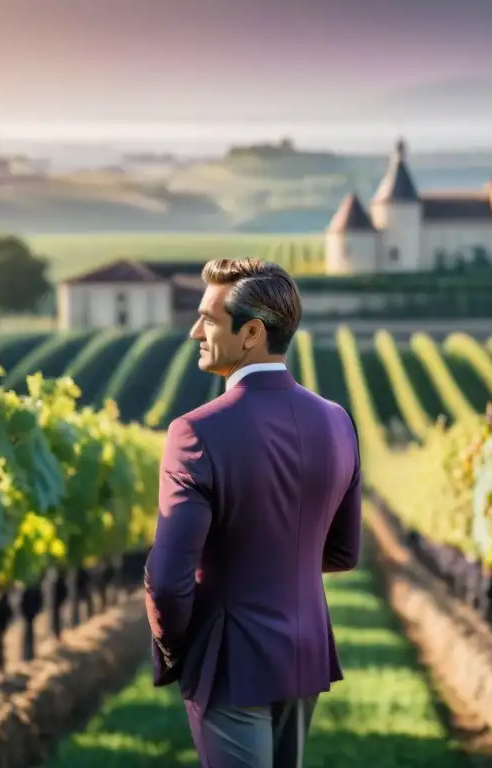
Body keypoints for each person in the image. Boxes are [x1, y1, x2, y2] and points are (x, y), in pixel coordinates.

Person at [144, 258, 362, 768]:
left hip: (228, 658)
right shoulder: (337, 421)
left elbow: (167, 579)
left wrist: (178, 650)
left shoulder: (195, 432)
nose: (195, 330)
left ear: (252, 333)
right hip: (306, 647)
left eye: (209, 319)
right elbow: (344, 552)